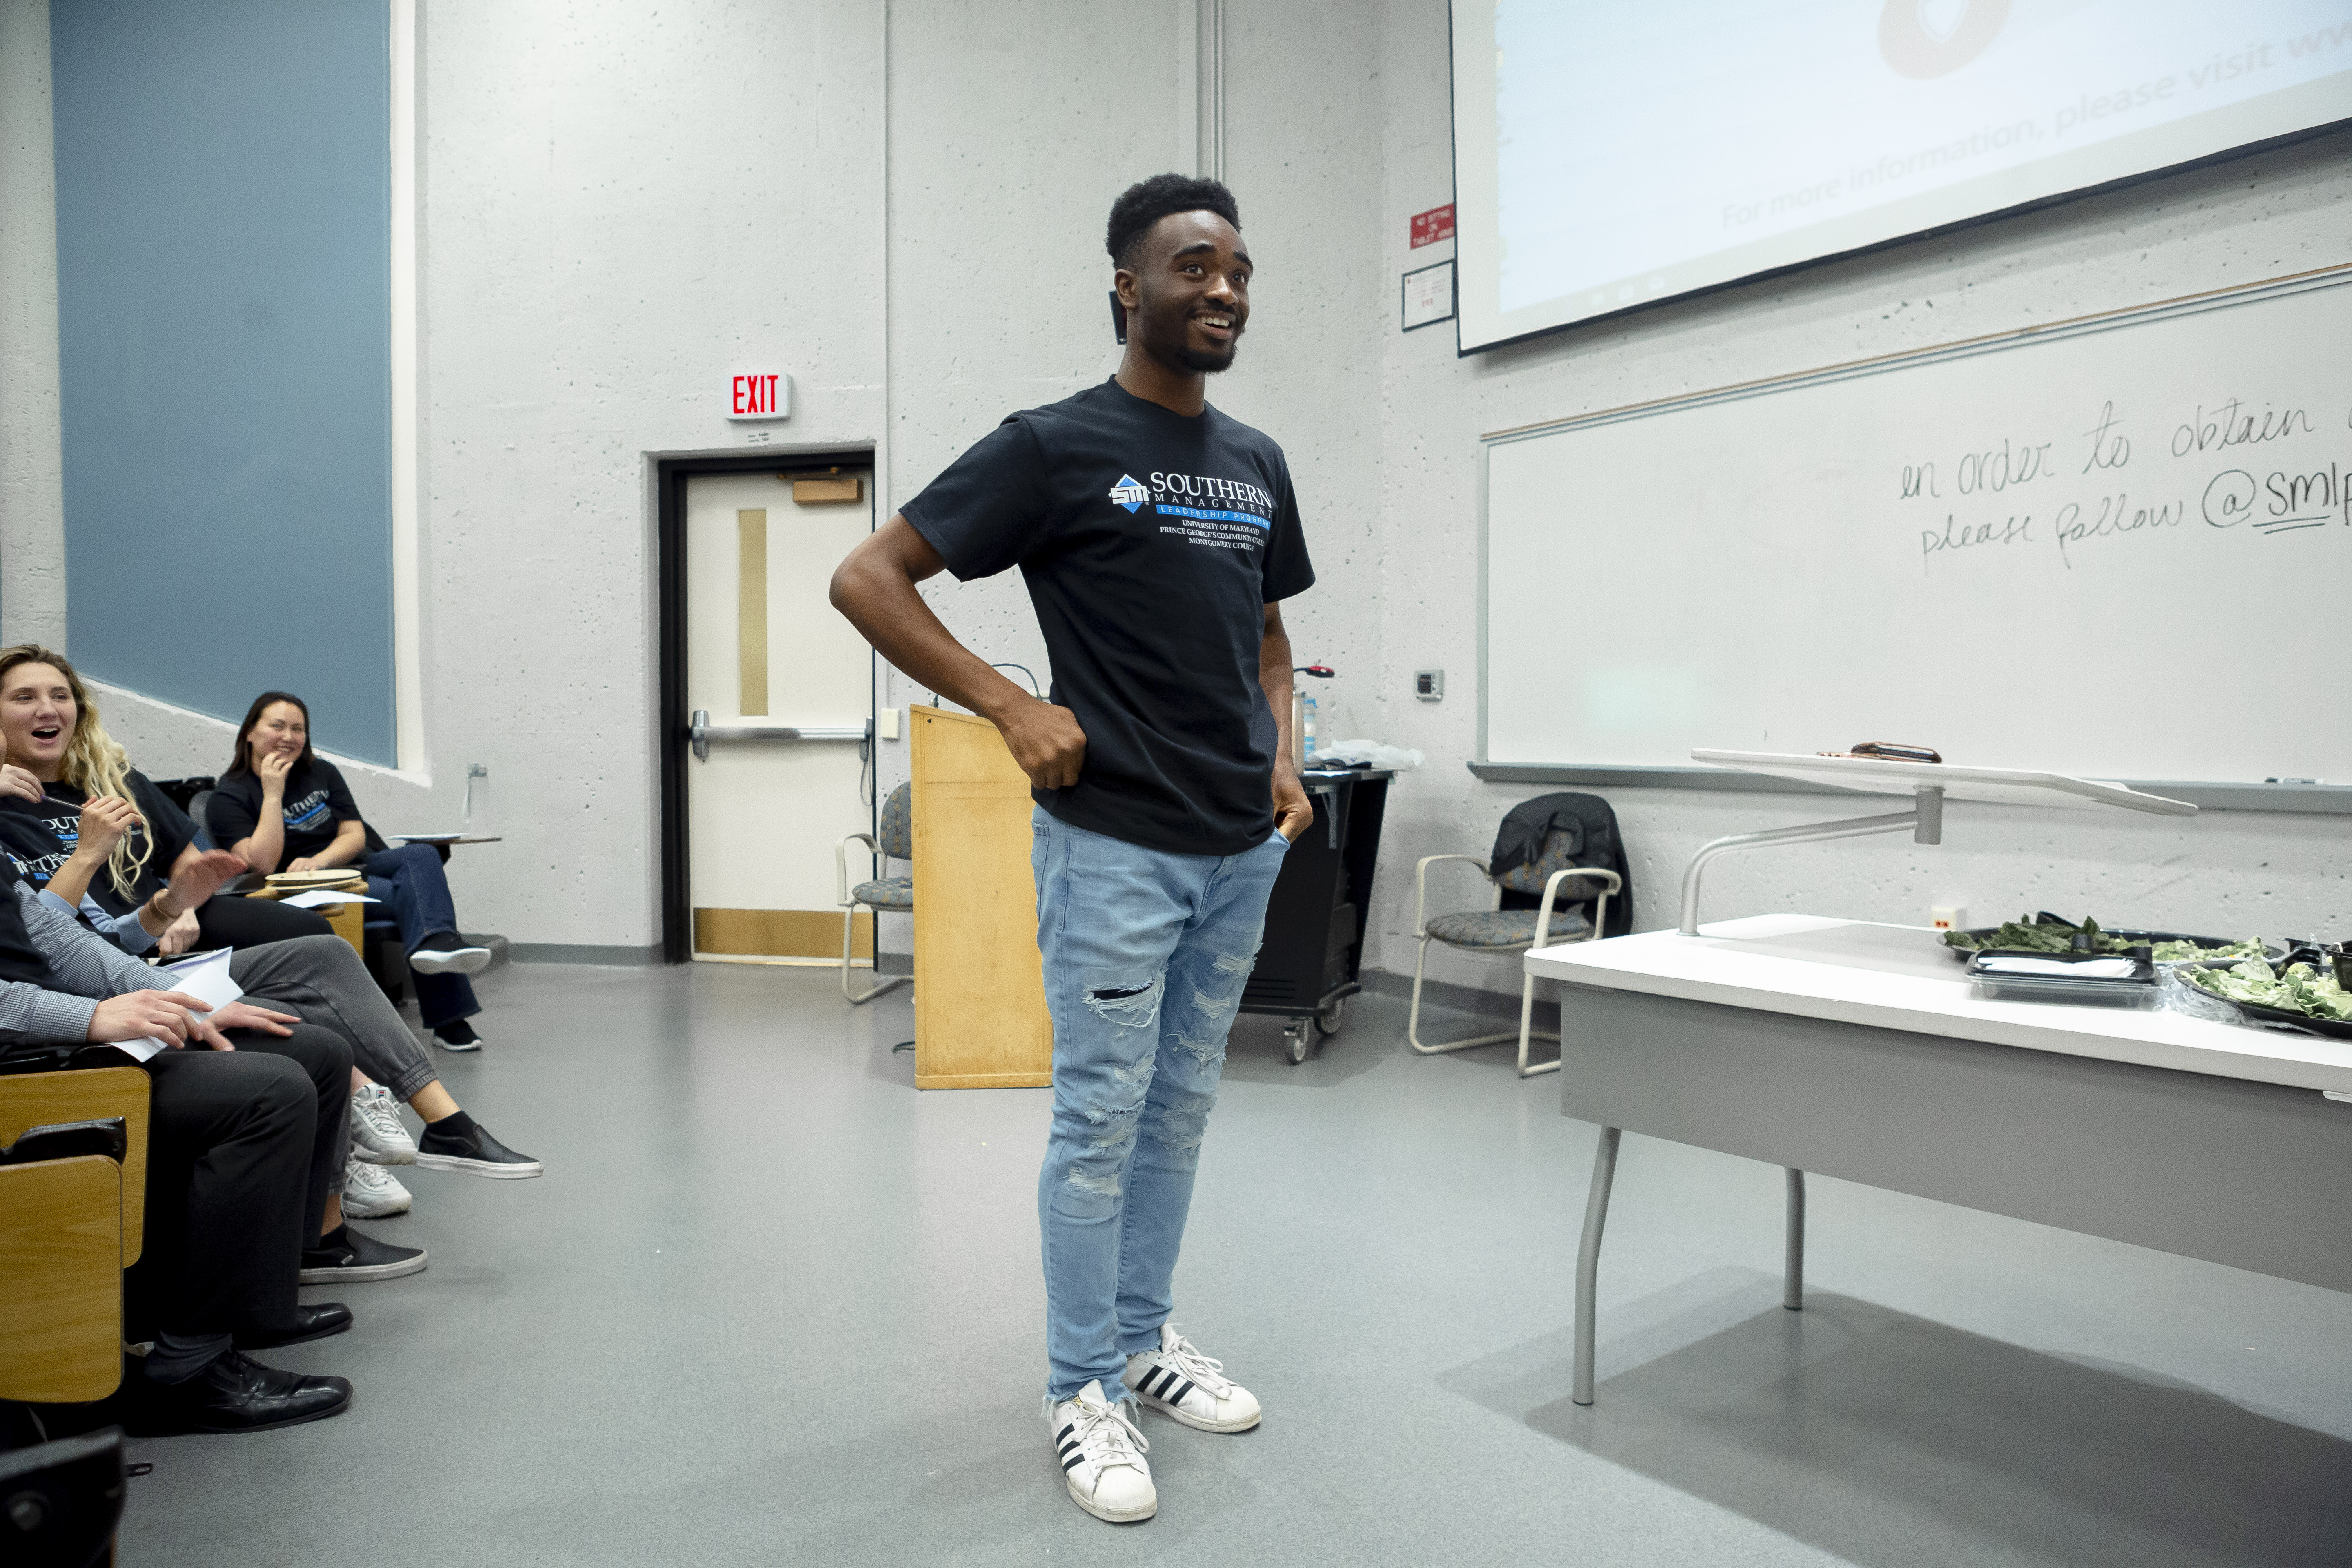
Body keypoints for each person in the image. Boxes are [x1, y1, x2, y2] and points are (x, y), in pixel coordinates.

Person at [830, 174, 1313, 1524]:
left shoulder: (1257, 461)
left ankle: (1149, 1341)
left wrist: (1283, 755)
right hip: (1114, 849)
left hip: (1240, 849)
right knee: (1100, 1123)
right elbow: (869, 576)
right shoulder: (1053, 447)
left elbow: (1269, 641)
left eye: (1239, 272)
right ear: (1129, 286)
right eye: (1193, 267)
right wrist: (1007, 701)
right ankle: (1080, 1386)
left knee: (1181, 1111)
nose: (1222, 291)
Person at [0, 857, 355, 1433]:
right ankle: (192, 1368)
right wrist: (88, 1017)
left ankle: (253, 1303)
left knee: (314, 1051)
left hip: (44, 1039)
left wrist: (187, 999)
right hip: (20, 1067)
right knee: (271, 1092)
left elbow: (55, 938)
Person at [205, 690, 494, 1052]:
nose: (289, 737)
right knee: (422, 905)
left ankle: (438, 944)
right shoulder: (228, 796)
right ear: (249, 731)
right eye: (277, 726)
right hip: (302, 887)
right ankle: (450, 1018)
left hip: (348, 865)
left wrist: (322, 859)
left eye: (299, 729)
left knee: (422, 856)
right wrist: (273, 794)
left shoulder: (321, 772)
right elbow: (262, 862)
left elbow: (353, 834)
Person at [0, 645, 331, 956]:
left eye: (61, 696)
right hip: (85, 951)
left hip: (165, 924)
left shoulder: (116, 780)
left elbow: (188, 861)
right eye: (24, 698)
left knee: (314, 934)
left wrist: (180, 905)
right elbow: (33, 936)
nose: (48, 710)